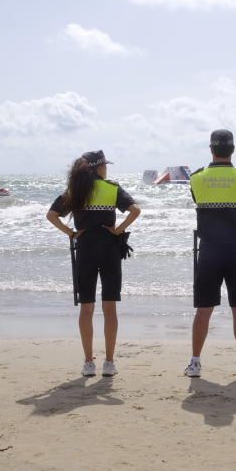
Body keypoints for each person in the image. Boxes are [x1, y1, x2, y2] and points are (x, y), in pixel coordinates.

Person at [47, 150, 140, 377]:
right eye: (105, 165)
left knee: (87, 309)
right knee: (110, 308)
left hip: (85, 252)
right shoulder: (111, 188)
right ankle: (109, 362)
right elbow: (135, 210)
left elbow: (51, 215)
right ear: (100, 168)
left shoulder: (77, 192)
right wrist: (118, 230)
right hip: (109, 252)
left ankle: (88, 363)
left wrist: (71, 232)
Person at [185, 129, 236, 379]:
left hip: (209, 251)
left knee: (203, 309)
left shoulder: (197, 178)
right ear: (232, 150)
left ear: (211, 149)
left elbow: (199, 201)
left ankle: (195, 363)